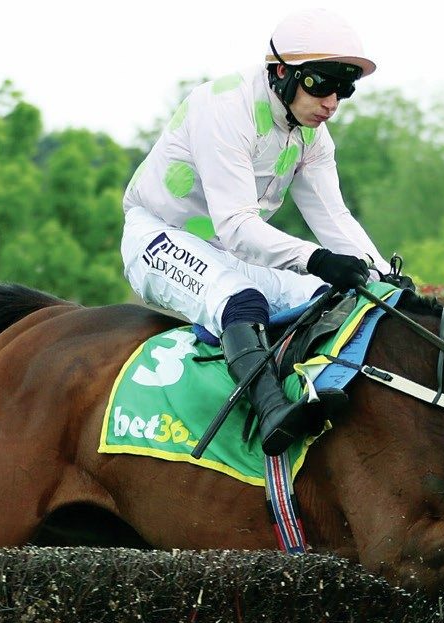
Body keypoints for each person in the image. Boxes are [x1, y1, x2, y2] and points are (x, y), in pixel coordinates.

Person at [121, 8, 403, 456]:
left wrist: (382, 275)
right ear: (280, 73)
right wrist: (318, 259)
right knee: (242, 300)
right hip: (159, 235)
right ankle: (272, 410)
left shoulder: (313, 135)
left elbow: (334, 219)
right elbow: (236, 225)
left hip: (231, 251)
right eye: (322, 83)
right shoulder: (224, 107)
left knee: (334, 295)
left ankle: (320, 390)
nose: (332, 102)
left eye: (344, 89)